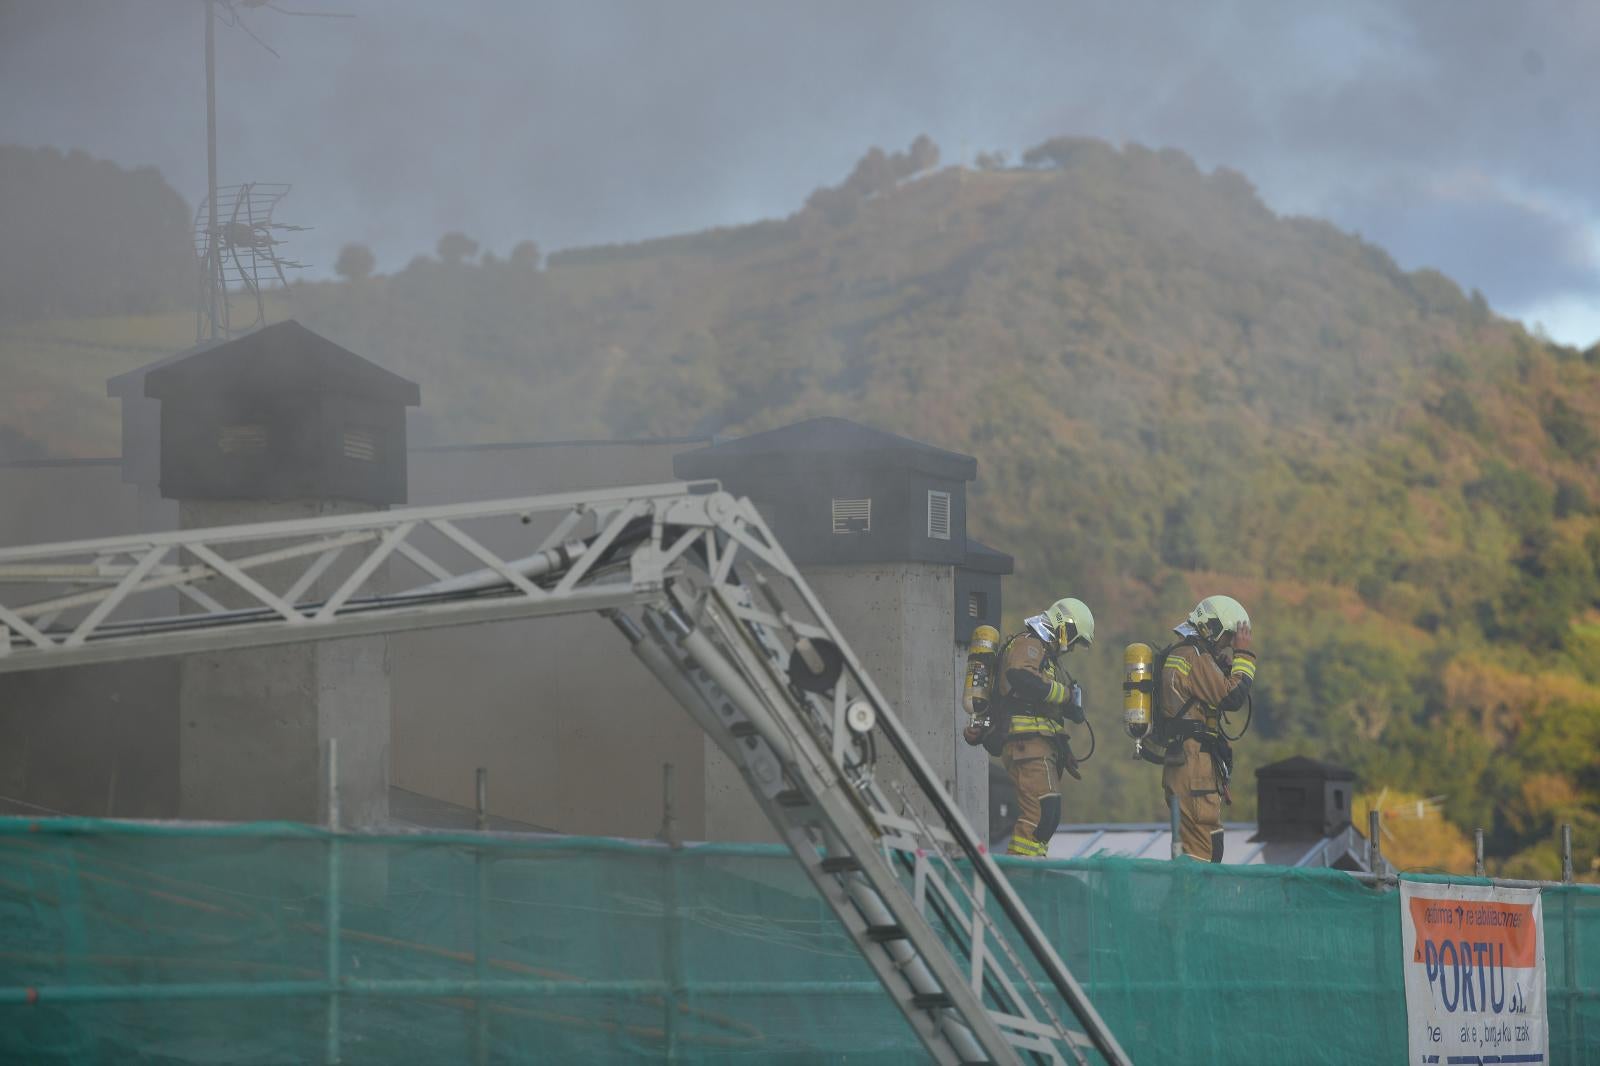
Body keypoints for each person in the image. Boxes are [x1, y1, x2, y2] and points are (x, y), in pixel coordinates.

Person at [964, 597, 1094, 857]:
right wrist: (1065, 695)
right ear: (1064, 626)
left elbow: (1043, 709)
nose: (1071, 648)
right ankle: (1021, 874)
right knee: (1041, 813)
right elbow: (1020, 677)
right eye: (1075, 638)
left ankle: (1033, 862)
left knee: (1050, 814)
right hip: (1026, 745)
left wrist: (1064, 746)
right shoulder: (1029, 643)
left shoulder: (1046, 656)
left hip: (1039, 744)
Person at [1158, 595, 1257, 862]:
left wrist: (1220, 667)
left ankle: (1189, 901)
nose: (1227, 646)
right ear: (1212, 629)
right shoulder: (1193, 656)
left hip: (1189, 763)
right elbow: (1232, 697)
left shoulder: (1187, 654)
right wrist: (1244, 656)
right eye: (1227, 638)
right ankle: (1190, 904)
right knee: (1202, 852)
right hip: (1193, 766)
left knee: (1202, 847)